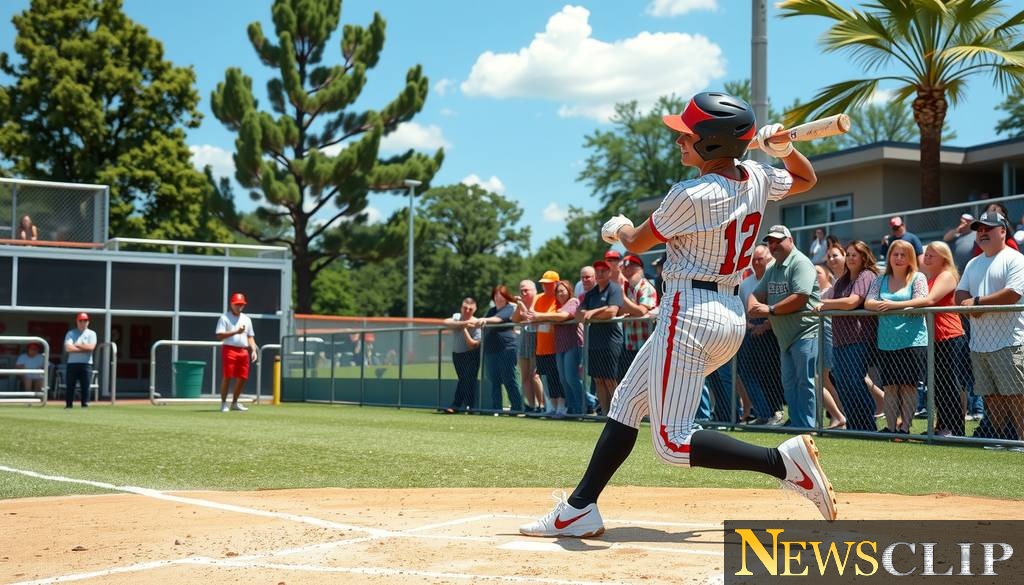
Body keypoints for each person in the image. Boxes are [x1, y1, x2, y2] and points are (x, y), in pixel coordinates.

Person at [520, 91, 835, 540]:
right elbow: (805, 179)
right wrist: (787, 151)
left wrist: (618, 228)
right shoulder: (757, 176)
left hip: (690, 312)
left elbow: (637, 243)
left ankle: (782, 462)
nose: (679, 142)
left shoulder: (692, 192)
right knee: (628, 402)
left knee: (671, 443)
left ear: (710, 143)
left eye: (687, 136)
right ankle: (579, 507)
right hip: (725, 312)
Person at [956, 211, 1024, 440]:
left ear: (1003, 231)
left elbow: (1013, 294)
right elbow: (960, 293)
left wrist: (976, 302)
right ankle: (999, 438)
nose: (983, 232)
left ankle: (1021, 440)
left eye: (988, 228)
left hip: (1011, 342)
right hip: (979, 344)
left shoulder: (1015, 259)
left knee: (1016, 394)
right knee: (991, 396)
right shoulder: (973, 262)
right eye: (979, 229)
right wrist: (969, 303)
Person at [748, 225, 822, 430]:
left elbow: (800, 297)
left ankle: (807, 427)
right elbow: (756, 294)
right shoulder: (772, 268)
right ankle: (797, 424)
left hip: (805, 332)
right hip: (785, 336)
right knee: (789, 384)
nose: (773, 245)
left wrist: (769, 309)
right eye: (770, 242)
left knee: (804, 382)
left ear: (790, 240)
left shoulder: (801, 263)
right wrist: (753, 305)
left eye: (778, 240)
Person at [901, 242, 968, 436]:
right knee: (937, 383)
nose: (927, 257)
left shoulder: (946, 275)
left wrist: (896, 304)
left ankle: (954, 428)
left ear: (944, 258)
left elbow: (929, 300)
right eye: (926, 254)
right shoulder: (930, 276)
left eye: (932, 255)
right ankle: (942, 425)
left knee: (948, 382)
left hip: (949, 335)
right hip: (934, 336)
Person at [865, 240, 928, 435]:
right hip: (887, 341)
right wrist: (893, 305)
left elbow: (922, 300)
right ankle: (891, 428)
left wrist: (890, 305)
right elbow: (868, 302)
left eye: (904, 255)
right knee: (890, 386)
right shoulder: (880, 280)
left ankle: (905, 428)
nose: (899, 258)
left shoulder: (918, 277)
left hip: (913, 341)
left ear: (910, 258)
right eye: (895, 254)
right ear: (889, 256)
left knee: (908, 386)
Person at [817, 240, 880, 432]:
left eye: (855, 254)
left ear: (863, 257)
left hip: (858, 338)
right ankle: (854, 424)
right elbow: (827, 298)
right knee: (843, 383)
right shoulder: (843, 279)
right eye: (849, 254)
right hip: (839, 339)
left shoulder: (866, 275)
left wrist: (825, 305)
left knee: (855, 381)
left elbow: (852, 302)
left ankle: (866, 425)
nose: (851, 258)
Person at [737, 245, 784, 425]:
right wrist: (749, 325)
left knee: (770, 371)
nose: (756, 262)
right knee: (747, 371)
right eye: (754, 259)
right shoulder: (746, 284)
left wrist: (765, 326)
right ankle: (763, 412)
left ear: (769, 259)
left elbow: (777, 307)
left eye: (760, 259)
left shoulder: (774, 280)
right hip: (749, 329)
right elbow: (742, 308)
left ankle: (774, 411)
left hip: (771, 330)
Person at [578, 259, 625, 414]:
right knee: (598, 379)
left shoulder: (615, 289)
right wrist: (599, 311)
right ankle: (605, 414)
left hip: (611, 340)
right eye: (597, 270)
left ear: (610, 272)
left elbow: (612, 312)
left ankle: (618, 415)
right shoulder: (591, 293)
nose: (599, 273)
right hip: (595, 340)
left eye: (603, 270)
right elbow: (579, 315)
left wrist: (592, 312)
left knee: (611, 380)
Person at [523, 271, 566, 417]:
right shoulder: (538, 298)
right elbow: (531, 316)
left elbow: (559, 316)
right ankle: (550, 406)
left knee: (557, 377)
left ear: (556, 283)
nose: (546, 286)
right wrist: (542, 318)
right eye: (543, 284)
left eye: (549, 283)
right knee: (546, 377)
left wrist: (540, 317)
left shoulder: (559, 297)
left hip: (556, 345)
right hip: (541, 346)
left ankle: (561, 406)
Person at [477, 285, 524, 412]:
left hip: (507, 349)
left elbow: (498, 319)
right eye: (496, 295)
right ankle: (496, 408)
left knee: (509, 378)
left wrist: (484, 319)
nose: (499, 298)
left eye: (502, 295)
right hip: (490, 350)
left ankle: (517, 407)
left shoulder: (510, 308)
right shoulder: (491, 310)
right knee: (494, 380)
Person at [215, 292, 259, 412]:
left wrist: (253, 350)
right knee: (228, 376)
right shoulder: (224, 317)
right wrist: (235, 332)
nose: (239, 306)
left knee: (243, 377)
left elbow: (250, 336)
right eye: (237, 304)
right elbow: (219, 336)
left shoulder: (247, 319)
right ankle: (223, 403)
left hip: (243, 351)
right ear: (231, 304)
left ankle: (234, 402)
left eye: (241, 304)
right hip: (229, 349)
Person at [551, 280, 585, 415]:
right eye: (558, 291)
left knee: (572, 378)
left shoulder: (573, 302)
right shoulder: (556, 307)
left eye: (562, 290)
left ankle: (585, 405)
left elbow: (563, 317)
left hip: (573, 344)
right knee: (564, 379)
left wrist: (540, 316)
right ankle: (572, 407)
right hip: (560, 346)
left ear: (569, 291)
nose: (560, 293)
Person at [620, 254, 658, 373]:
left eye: (629, 266)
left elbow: (641, 310)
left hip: (645, 345)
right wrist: (632, 309)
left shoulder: (645, 286)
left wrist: (622, 297)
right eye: (625, 267)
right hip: (630, 344)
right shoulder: (627, 288)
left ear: (639, 269)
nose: (625, 270)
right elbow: (618, 310)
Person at [443, 297, 481, 413]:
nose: (467, 310)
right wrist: (464, 323)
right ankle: (469, 406)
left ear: (474, 309)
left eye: (470, 309)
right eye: (465, 308)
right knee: (464, 380)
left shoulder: (476, 322)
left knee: (467, 379)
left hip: (472, 354)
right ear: (461, 308)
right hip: (457, 354)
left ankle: (457, 405)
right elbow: (446, 323)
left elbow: (473, 344)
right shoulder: (457, 317)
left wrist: (464, 329)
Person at [513, 280, 545, 413]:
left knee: (535, 375)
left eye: (526, 290)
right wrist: (519, 306)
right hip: (524, 341)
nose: (523, 292)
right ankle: (532, 406)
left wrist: (521, 304)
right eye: (521, 290)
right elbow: (515, 319)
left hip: (537, 340)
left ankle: (542, 405)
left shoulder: (538, 300)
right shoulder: (521, 304)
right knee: (525, 376)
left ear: (534, 290)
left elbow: (530, 317)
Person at [63, 312, 97, 408]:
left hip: (86, 364)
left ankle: (85, 405)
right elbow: (68, 349)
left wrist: (76, 345)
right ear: (77, 321)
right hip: (72, 364)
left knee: (85, 386)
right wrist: (84, 348)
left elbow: (91, 348)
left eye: (85, 320)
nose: (83, 322)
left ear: (88, 322)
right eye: (80, 320)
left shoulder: (92, 333)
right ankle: (68, 405)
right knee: (70, 386)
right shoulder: (71, 333)